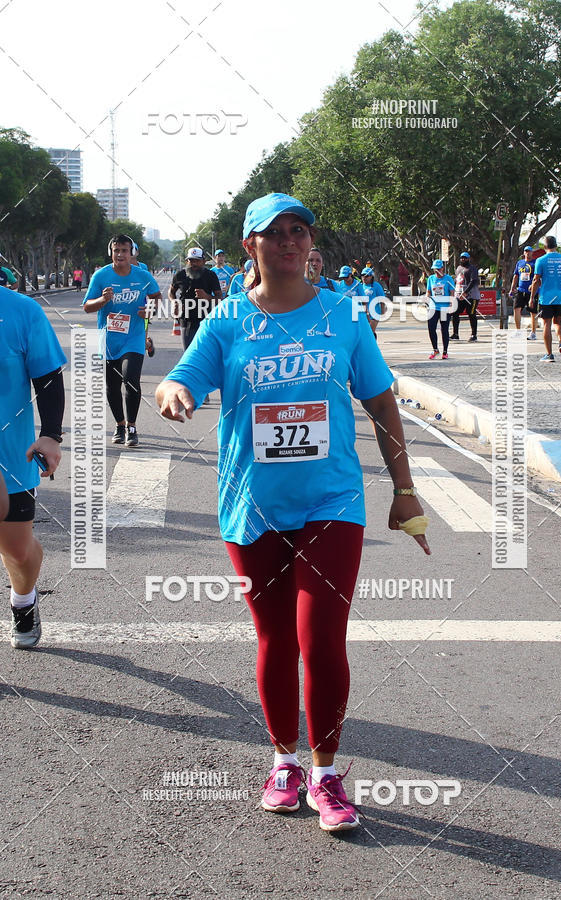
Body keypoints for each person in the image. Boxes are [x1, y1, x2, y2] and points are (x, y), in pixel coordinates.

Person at [156, 192, 430, 833]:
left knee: (321, 636)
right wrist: (173, 394)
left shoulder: (343, 314)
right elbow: (185, 378)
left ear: (311, 243)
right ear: (249, 245)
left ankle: (327, 772)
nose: (288, 241)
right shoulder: (226, 323)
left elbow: (382, 403)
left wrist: (405, 488)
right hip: (252, 505)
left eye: (299, 231)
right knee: (275, 638)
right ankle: (284, 762)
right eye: (273, 233)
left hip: (332, 500)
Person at [0, 284, 66, 649]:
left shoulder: (22, 311)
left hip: (11, 456)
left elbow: (47, 376)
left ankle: (23, 599)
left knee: (17, 551)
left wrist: (51, 435)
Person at [83, 234, 161, 447]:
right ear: (111, 253)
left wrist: (149, 311)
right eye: (116, 250)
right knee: (112, 385)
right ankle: (120, 424)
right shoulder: (101, 276)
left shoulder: (143, 276)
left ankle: (132, 427)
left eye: (124, 251)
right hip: (108, 339)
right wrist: (102, 299)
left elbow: (157, 298)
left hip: (133, 338)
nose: (120, 255)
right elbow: (87, 306)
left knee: (131, 379)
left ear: (131, 253)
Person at [168, 248, 222, 350]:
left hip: (205, 321)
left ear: (204, 261)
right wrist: (174, 301)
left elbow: (219, 297)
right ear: (187, 261)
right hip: (186, 320)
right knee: (188, 352)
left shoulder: (210, 275)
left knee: (204, 353)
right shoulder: (180, 275)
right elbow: (171, 291)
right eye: (191, 260)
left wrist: (207, 297)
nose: (194, 264)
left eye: (197, 260)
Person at [530, 235, 561, 362]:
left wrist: (532, 297)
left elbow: (536, 280)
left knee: (546, 324)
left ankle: (549, 354)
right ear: (556, 246)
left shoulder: (541, 260)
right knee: (558, 322)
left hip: (546, 297)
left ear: (545, 247)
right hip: (560, 296)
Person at [425, 260, 455, 359]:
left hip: (444, 308)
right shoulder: (431, 278)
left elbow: (452, 292)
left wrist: (451, 303)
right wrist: (427, 299)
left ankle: (445, 351)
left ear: (442, 268)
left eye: (438, 269)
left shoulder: (448, 279)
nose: (437, 271)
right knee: (431, 328)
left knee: (444, 329)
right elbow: (429, 291)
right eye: (435, 269)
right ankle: (435, 349)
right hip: (433, 307)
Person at [509, 246, 538, 339]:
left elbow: (538, 276)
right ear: (524, 253)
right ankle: (518, 331)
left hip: (531, 291)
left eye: (529, 251)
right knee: (516, 309)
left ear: (532, 253)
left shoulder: (535, 263)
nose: (528, 253)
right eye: (526, 251)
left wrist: (533, 285)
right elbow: (516, 276)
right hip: (520, 290)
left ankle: (533, 333)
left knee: (533, 312)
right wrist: (512, 288)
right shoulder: (520, 263)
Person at [450, 251, 480, 341]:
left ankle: (473, 335)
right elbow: (457, 280)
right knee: (455, 313)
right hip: (459, 295)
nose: (463, 259)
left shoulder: (472, 268)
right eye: (462, 258)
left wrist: (466, 292)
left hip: (471, 296)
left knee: (471, 314)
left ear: (468, 259)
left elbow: (473, 281)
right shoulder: (458, 268)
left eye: (465, 258)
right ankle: (455, 334)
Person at [360, 266, 386, 336]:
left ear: (371, 276)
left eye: (366, 276)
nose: (364, 278)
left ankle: (373, 345)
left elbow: (382, 299)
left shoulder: (376, 286)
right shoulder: (360, 286)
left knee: (370, 332)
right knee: (363, 333)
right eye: (362, 276)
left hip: (374, 313)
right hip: (363, 313)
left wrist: (382, 311)